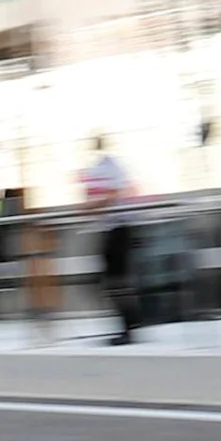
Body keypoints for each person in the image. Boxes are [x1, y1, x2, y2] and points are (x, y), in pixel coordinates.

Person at [79, 138, 140, 344]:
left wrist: (91, 207)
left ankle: (129, 326)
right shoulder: (102, 168)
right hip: (111, 228)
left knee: (115, 280)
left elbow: (112, 195)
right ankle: (129, 324)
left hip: (118, 228)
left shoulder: (108, 166)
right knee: (112, 280)